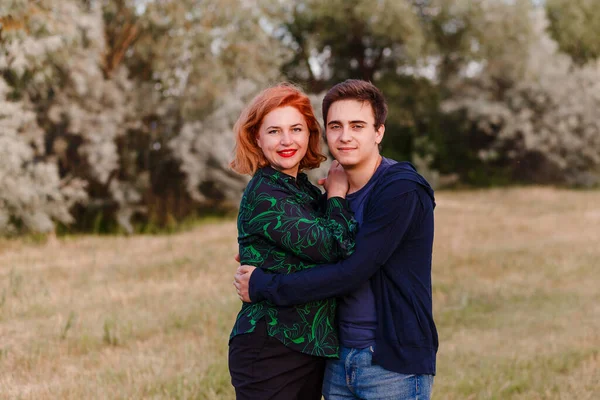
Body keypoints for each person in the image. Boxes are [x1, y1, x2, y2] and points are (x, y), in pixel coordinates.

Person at [234, 79, 438, 399]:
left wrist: (263, 283)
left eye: (357, 125)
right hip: (330, 360)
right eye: (336, 126)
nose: (345, 136)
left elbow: (351, 268)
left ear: (379, 132)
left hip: (389, 364)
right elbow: (316, 244)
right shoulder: (320, 194)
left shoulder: (400, 189)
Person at [228, 83, 358, 400]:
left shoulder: (301, 189)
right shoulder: (265, 194)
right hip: (271, 350)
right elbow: (335, 247)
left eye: (296, 129)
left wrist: (328, 197)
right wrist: (337, 194)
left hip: (307, 349)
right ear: (256, 137)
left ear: (309, 134)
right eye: (274, 131)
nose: (287, 141)